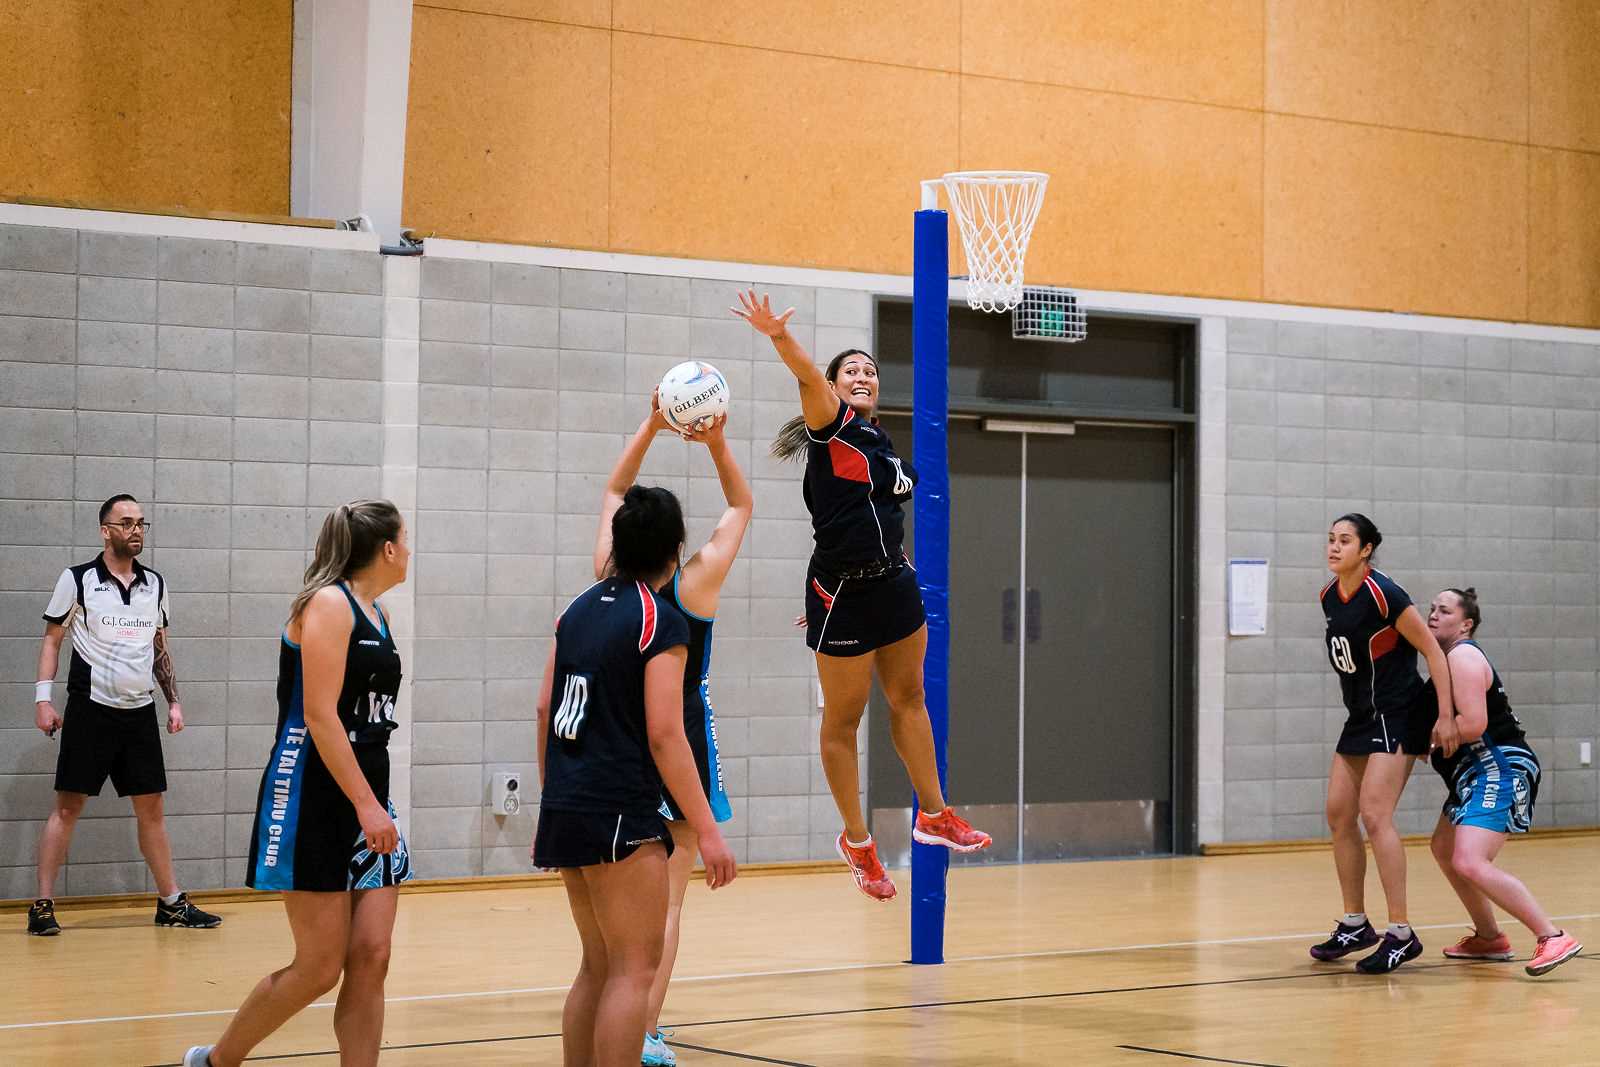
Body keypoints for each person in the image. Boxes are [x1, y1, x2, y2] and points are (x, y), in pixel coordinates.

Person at [732, 290, 990, 903]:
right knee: (843, 722)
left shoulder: (878, 441)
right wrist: (778, 336)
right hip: (842, 591)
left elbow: (877, 516)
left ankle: (934, 815)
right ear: (832, 387)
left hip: (893, 583)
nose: (863, 375)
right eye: (851, 370)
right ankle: (858, 842)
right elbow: (804, 373)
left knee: (910, 700)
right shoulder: (831, 425)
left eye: (870, 370)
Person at [184, 500, 412, 1067]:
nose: (410, 550)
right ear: (387, 548)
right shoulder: (329, 604)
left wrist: (374, 804)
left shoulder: (378, 612)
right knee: (319, 967)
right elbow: (320, 716)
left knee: (373, 956)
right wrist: (367, 806)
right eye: (405, 540)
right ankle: (217, 1061)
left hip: (368, 795)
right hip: (313, 794)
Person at [535, 485, 737, 1067]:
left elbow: (545, 708)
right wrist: (709, 830)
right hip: (620, 811)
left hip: (568, 804)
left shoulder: (576, 610)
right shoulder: (660, 621)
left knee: (596, 966)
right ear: (675, 552)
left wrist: (553, 797)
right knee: (632, 970)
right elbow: (665, 735)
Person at [592, 397, 750, 1066]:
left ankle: (617, 1012)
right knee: (669, 901)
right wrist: (715, 443)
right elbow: (740, 506)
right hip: (676, 733)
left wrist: (652, 425)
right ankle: (645, 1029)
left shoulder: (607, 578)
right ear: (678, 545)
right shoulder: (693, 586)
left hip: (615, 738)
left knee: (618, 902)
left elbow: (613, 489)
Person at [29, 493, 220, 936]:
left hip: (139, 712)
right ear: (105, 530)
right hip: (90, 709)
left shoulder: (155, 584)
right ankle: (42, 905)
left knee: (152, 809)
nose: (136, 530)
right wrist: (43, 699)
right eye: (126, 522)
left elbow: (159, 646)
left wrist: (173, 700)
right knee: (68, 808)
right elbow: (52, 640)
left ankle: (171, 903)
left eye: (140, 523)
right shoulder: (77, 579)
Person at [1309, 513, 1458, 974]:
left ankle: (1401, 933)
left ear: (1367, 549)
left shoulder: (1385, 593)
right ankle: (1355, 923)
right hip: (1360, 716)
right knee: (1339, 813)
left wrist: (1445, 716)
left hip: (1397, 713)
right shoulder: (1329, 595)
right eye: (1331, 539)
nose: (1334, 547)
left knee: (1375, 815)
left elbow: (1433, 652)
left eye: (1345, 540)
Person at [1423, 587, 1582, 977]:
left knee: (1469, 860)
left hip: (1498, 767)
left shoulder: (1461, 656)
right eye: (1432, 609)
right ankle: (1490, 937)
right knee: (1444, 848)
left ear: (1466, 624)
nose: (1433, 615)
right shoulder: (1445, 660)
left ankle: (1552, 935)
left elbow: (1474, 724)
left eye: (1444, 611)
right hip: (1474, 771)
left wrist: (1423, 741)